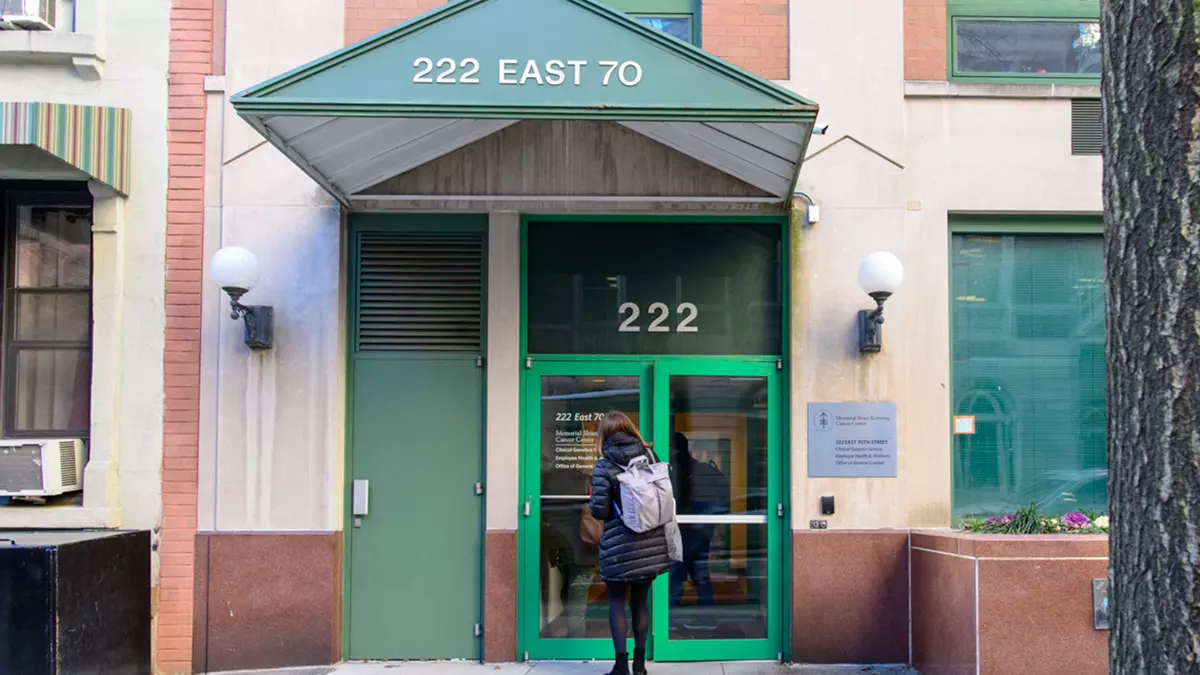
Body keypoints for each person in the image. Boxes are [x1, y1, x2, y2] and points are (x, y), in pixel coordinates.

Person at [588, 411, 671, 675]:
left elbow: (599, 510)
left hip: (619, 545)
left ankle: (621, 667)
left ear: (605, 435)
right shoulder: (650, 457)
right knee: (640, 601)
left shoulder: (605, 464)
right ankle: (640, 666)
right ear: (630, 429)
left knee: (616, 602)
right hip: (649, 542)